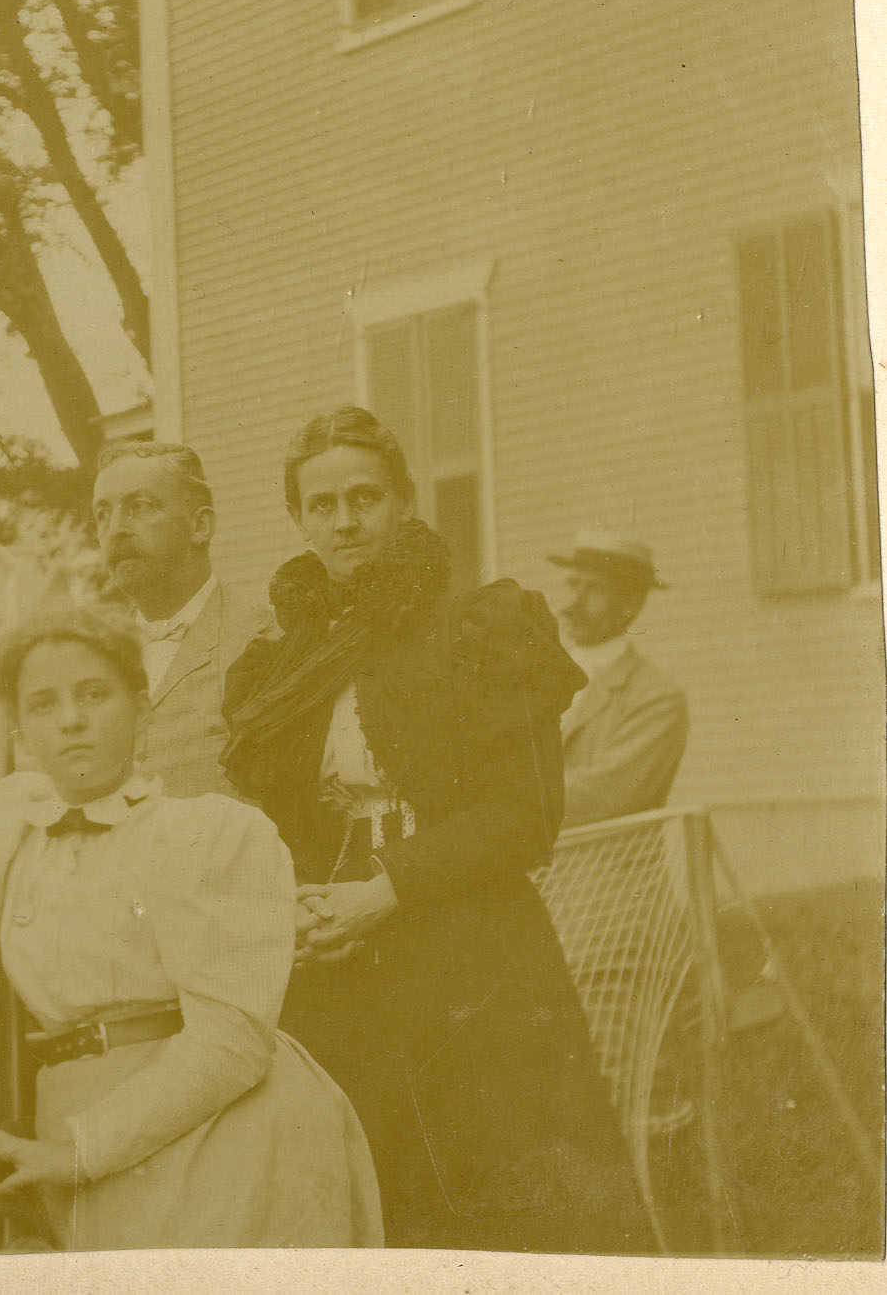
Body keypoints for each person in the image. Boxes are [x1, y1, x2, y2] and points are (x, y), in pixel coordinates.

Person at [221, 406, 653, 1254]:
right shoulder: (289, 658)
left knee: (499, 1207)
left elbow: (525, 818)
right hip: (333, 957)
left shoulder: (477, 628)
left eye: (365, 497)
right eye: (321, 505)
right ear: (298, 520)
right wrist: (303, 903)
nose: (345, 522)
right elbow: (278, 817)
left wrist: (383, 892)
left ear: (405, 502)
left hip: (471, 953)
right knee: (351, 1198)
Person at [0, 608, 383, 1251]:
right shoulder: (12, 828)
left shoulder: (206, 832)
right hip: (73, 1121)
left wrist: (82, 1150)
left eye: (94, 694)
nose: (70, 719)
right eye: (43, 704)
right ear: (21, 732)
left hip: (224, 1132)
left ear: (142, 710)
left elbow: (232, 1040)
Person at [90, 440, 267, 798]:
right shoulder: (95, 657)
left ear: (200, 526)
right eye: (103, 515)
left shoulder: (262, 634)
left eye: (139, 507)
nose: (116, 529)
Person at [549, 530, 690, 829]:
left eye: (595, 589)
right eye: (573, 584)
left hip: (608, 859)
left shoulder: (657, 696)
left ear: (631, 604)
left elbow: (607, 792)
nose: (575, 601)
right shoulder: (533, 680)